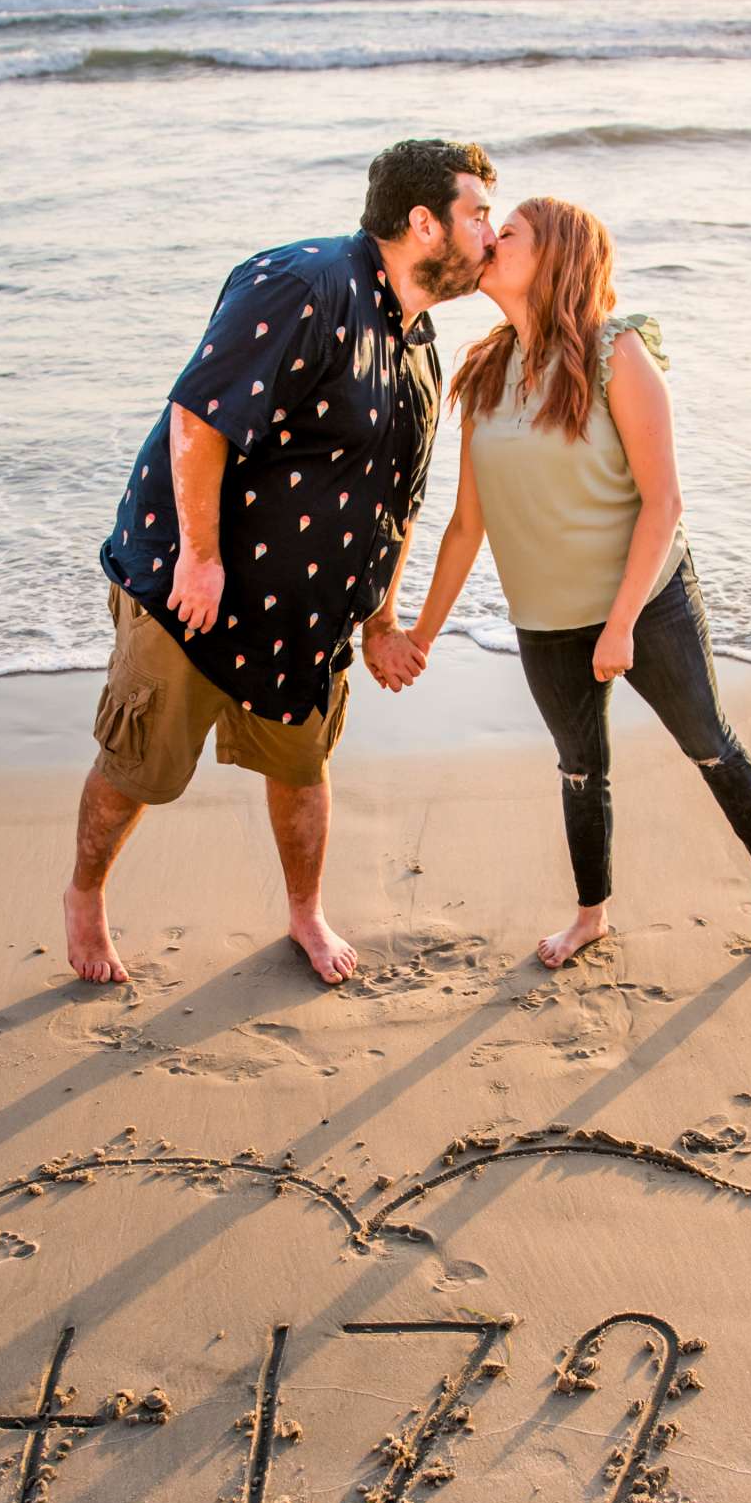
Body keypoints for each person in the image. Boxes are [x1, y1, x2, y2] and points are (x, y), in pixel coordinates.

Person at [64, 139, 497, 986]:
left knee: (302, 767)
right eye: (478, 214)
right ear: (423, 224)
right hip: (193, 585)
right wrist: (198, 558)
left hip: (307, 615)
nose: (492, 232)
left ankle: (305, 913)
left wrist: (379, 618)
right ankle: (85, 898)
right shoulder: (305, 284)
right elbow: (199, 418)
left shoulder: (419, 343)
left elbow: (397, 500)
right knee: (138, 765)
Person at [408, 196, 751, 964]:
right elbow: (465, 526)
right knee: (582, 770)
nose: (487, 238)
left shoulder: (618, 353)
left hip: (646, 603)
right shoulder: (485, 372)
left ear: (552, 256)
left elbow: (664, 501)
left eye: (506, 232)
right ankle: (592, 915)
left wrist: (620, 626)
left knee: (707, 742)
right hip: (545, 616)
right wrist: (417, 637)